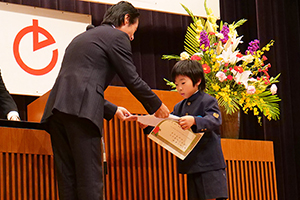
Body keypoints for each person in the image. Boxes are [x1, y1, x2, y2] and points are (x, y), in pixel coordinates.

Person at [41, 1, 169, 200]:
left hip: (56, 112)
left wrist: (113, 109)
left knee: (68, 182)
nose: (132, 37)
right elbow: (132, 79)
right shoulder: (116, 36)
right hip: (81, 115)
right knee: (90, 182)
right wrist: (157, 106)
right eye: (133, 31)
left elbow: (80, 85)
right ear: (126, 19)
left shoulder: (81, 37)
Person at [142, 60, 228, 200]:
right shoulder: (179, 107)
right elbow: (167, 125)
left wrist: (194, 121)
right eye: (176, 85)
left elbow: (215, 120)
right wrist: (148, 125)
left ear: (198, 80)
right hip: (191, 165)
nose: (179, 88)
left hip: (210, 165)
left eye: (183, 83)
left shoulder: (208, 100)